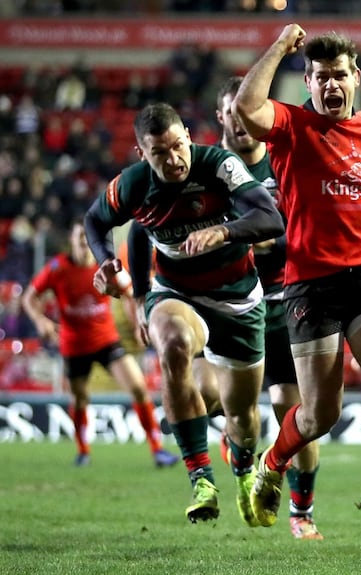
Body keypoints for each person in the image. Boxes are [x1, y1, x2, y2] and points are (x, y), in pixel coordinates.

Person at [233, 24, 361, 554]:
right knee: (320, 415)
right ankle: (274, 462)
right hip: (310, 285)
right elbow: (245, 109)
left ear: (356, 79)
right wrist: (281, 46)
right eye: (321, 76)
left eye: (339, 75)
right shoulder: (290, 124)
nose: (331, 84)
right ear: (308, 80)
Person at [83, 102, 284, 524]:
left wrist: (223, 230)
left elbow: (271, 218)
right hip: (176, 293)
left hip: (239, 300)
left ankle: (244, 467)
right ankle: (201, 479)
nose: (173, 159)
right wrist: (110, 267)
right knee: (172, 343)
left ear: (189, 136)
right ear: (143, 154)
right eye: (160, 153)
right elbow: (98, 222)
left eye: (178, 146)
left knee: (243, 416)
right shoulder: (133, 185)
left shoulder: (219, 165)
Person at [213, 75, 323, 540]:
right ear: (221, 116)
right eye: (231, 113)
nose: (240, 122)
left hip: (283, 304)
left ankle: (302, 513)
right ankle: (234, 451)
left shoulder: (285, 165)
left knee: (295, 412)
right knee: (235, 414)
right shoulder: (205, 171)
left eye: (247, 112)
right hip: (227, 306)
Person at [22, 222, 178, 469]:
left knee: (138, 387)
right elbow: (29, 297)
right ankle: (83, 451)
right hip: (74, 345)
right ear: (71, 242)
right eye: (79, 237)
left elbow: (130, 292)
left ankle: (158, 450)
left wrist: (138, 321)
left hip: (106, 340)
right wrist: (40, 320)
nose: (84, 242)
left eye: (87, 238)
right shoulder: (57, 268)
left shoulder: (106, 266)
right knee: (80, 398)